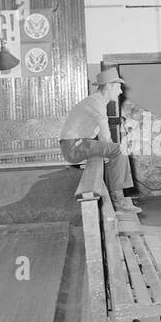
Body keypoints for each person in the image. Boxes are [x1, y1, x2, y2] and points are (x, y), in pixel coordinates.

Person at [59, 69, 141, 214]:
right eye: (118, 87)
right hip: (74, 147)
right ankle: (118, 199)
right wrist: (110, 150)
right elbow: (105, 136)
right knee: (119, 150)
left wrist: (107, 151)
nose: (121, 91)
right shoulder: (96, 103)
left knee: (114, 153)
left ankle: (117, 195)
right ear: (109, 86)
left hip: (79, 144)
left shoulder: (96, 101)